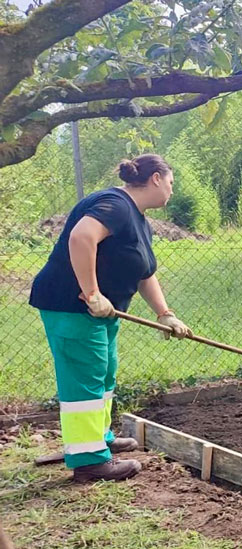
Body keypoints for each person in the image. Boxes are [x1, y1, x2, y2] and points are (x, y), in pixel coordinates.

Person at [29, 154, 192, 482]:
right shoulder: (115, 204)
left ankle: (98, 438)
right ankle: (89, 462)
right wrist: (92, 293)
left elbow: (145, 273)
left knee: (103, 373)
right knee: (85, 379)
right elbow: (81, 237)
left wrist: (166, 314)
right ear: (156, 179)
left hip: (103, 312)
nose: (172, 191)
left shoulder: (140, 221)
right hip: (73, 307)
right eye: (171, 183)